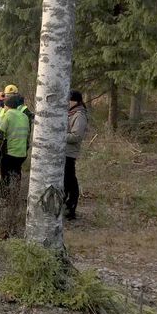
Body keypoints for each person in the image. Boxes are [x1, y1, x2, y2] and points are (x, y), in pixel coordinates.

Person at [0, 95, 30, 199]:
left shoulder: (7, 115)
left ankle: (5, 196)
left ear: (7, 105)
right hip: (22, 153)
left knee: (5, 174)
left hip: (10, 152)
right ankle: (15, 195)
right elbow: (27, 136)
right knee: (17, 174)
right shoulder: (24, 116)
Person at [65, 90, 88, 220]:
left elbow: (76, 136)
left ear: (74, 101)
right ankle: (66, 206)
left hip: (70, 153)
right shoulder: (70, 113)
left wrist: (58, 135)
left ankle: (71, 208)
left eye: (68, 100)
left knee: (70, 181)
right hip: (64, 152)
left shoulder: (79, 115)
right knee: (66, 181)